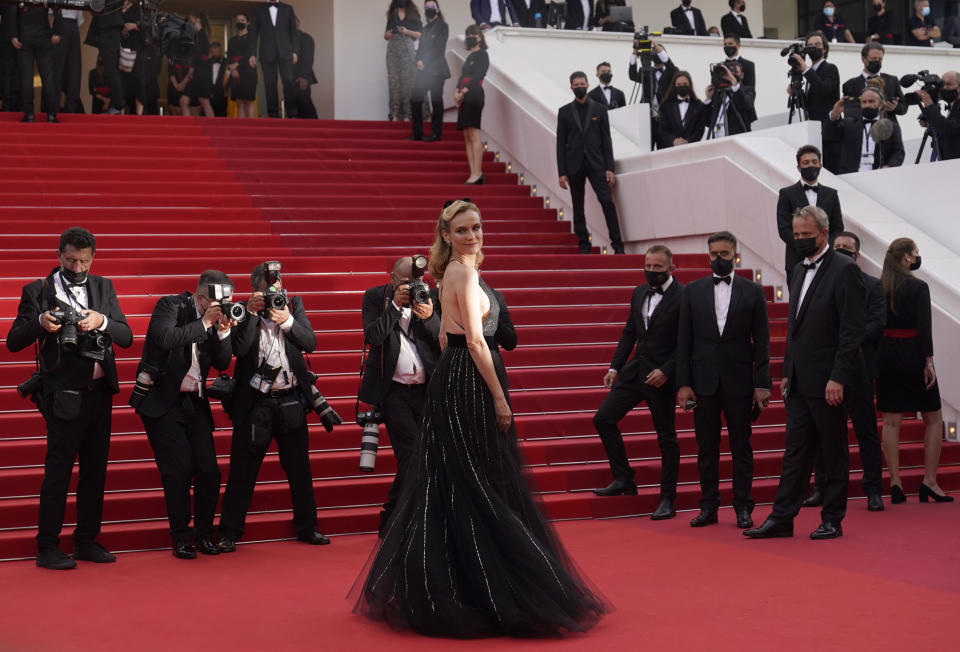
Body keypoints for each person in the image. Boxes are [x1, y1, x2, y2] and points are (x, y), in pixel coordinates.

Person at [352, 200, 608, 637]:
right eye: (462, 229)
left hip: (455, 376)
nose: (472, 235)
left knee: (463, 479)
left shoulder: (453, 272)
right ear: (446, 235)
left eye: (477, 227)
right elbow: (473, 340)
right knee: (480, 480)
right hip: (469, 379)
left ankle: (463, 584)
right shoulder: (463, 273)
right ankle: (489, 590)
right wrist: (500, 399)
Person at [5, 228, 133, 570]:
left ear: (92, 257)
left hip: (99, 393)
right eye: (70, 259)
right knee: (58, 472)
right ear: (58, 254)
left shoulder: (104, 287)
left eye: (84, 260)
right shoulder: (38, 290)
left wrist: (101, 320)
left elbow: (126, 335)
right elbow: (13, 341)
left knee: (96, 471)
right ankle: (47, 545)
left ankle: (86, 540)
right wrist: (40, 322)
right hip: (63, 394)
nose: (77, 266)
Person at [744, 206, 865, 540]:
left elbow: (852, 331)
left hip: (830, 381)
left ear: (823, 233)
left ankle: (832, 518)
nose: (799, 240)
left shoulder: (844, 269)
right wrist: (787, 370)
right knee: (795, 451)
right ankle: (782, 517)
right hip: (799, 379)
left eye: (804, 234)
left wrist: (838, 377)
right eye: (795, 235)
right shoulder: (797, 269)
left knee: (833, 450)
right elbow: (795, 326)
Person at [218, 262, 330, 551]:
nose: (273, 298)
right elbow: (239, 350)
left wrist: (287, 320)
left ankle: (308, 528)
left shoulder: (292, 305)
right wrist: (253, 313)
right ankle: (229, 532)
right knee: (242, 470)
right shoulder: (243, 310)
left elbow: (311, 342)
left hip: (290, 398)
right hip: (254, 403)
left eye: (276, 291)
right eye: (266, 292)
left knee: (299, 470)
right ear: (254, 291)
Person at [134, 272, 234, 559]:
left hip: (195, 402)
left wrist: (224, 331)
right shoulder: (170, 306)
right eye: (217, 302)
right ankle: (181, 537)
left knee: (209, 471)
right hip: (163, 402)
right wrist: (204, 322)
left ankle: (204, 534)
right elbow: (166, 338)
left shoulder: (215, 318)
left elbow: (222, 362)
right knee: (177, 471)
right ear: (200, 298)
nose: (222, 306)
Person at [677, 232, 771, 529]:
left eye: (724, 253)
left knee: (741, 446)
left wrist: (762, 383)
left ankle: (744, 506)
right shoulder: (691, 290)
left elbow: (763, 342)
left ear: (735, 254)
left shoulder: (753, 291)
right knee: (706, 448)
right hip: (702, 381)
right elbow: (683, 341)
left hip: (740, 379)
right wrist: (683, 383)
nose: (718, 258)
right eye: (714, 253)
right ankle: (709, 506)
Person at [592, 245, 682, 521]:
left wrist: (667, 371)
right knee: (603, 419)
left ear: (671, 268)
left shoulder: (684, 296)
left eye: (658, 267)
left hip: (662, 378)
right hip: (634, 372)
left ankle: (667, 498)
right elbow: (630, 331)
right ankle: (624, 478)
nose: (651, 272)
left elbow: (688, 341)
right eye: (648, 266)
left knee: (666, 437)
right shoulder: (639, 291)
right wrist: (615, 366)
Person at [802, 232, 885, 513]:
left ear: (858, 256)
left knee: (866, 432)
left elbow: (876, 324)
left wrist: (848, 341)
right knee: (824, 432)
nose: (842, 252)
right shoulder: (820, 281)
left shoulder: (873, 286)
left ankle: (873, 490)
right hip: (826, 368)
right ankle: (821, 487)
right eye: (838, 248)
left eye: (847, 249)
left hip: (858, 368)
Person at [359, 257, 441, 534]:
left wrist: (428, 316)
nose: (413, 287)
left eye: (417, 282)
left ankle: (406, 517)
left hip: (426, 392)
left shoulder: (430, 297)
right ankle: (393, 517)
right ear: (393, 279)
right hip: (393, 393)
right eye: (406, 282)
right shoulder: (375, 297)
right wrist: (394, 306)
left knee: (423, 458)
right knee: (412, 454)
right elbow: (373, 337)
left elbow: (442, 338)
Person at [876, 238, 952, 503]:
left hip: (885, 356)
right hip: (912, 355)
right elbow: (924, 327)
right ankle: (929, 481)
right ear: (907, 257)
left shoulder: (879, 286)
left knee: (891, 421)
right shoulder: (919, 287)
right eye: (916, 253)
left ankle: (895, 482)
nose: (918, 257)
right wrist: (928, 362)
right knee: (933, 418)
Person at [557, 71, 625, 255]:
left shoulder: (600, 109)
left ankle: (617, 243)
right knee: (578, 205)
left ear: (587, 84)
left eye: (582, 83)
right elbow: (560, 143)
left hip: (597, 164)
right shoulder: (564, 112)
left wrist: (609, 168)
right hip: (574, 165)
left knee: (606, 201)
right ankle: (583, 242)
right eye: (576, 84)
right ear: (571, 87)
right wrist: (561, 172)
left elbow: (607, 140)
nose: (579, 87)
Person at [776, 145, 844, 284]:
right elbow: (784, 229)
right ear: (799, 167)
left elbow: (837, 227)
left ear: (820, 166)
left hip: (827, 260)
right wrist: (804, 246)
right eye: (806, 163)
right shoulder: (786, 193)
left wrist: (824, 248)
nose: (810, 165)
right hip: (796, 259)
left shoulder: (831, 194)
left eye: (814, 162)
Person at [2, 4, 62, 123]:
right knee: (48, 76)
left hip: (24, 35)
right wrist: (56, 31)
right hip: (44, 35)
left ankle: (29, 114)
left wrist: (13, 35)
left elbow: (13, 9)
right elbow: (57, 7)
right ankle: (51, 114)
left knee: (26, 77)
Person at [826, 86, 905, 174]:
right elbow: (829, 135)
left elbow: (899, 152)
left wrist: (888, 167)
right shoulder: (848, 123)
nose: (867, 105)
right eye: (864, 102)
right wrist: (834, 114)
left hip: (880, 176)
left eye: (871, 101)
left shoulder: (891, 126)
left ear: (880, 104)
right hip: (850, 177)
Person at [250, 0, 299, 118]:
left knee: (288, 80)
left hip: (285, 52)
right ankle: (273, 115)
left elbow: (294, 32)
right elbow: (253, 33)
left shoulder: (288, 8)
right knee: (270, 84)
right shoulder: (258, 10)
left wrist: (295, 51)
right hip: (267, 53)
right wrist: (252, 54)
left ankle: (291, 113)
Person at [409, 0, 449, 141]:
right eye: (427, 7)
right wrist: (418, 60)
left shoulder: (443, 27)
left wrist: (424, 61)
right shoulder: (425, 29)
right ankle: (417, 133)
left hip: (437, 71)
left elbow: (439, 49)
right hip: (424, 71)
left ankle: (436, 133)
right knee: (415, 99)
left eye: (432, 6)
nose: (429, 9)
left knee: (436, 101)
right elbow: (420, 49)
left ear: (437, 9)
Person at [455, 25, 489, 184]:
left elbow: (477, 76)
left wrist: (464, 91)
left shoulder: (483, 55)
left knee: (474, 134)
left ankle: (478, 172)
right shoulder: (469, 56)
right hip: (464, 95)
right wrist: (456, 90)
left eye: (473, 34)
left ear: (479, 37)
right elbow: (462, 75)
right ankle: (472, 172)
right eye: (468, 34)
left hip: (474, 95)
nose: (470, 37)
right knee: (466, 135)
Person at [841, 43, 906, 124]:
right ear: (863, 59)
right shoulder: (850, 85)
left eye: (880, 59)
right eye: (874, 58)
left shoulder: (892, 80)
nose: (877, 62)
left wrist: (895, 107)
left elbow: (904, 107)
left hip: (888, 130)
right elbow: (848, 110)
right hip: (861, 130)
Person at [787, 31, 838, 122]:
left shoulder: (831, 68)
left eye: (817, 45)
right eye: (810, 45)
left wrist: (805, 68)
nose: (813, 48)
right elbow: (807, 105)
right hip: (812, 126)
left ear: (824, 49)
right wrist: (796, 92)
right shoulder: (809, 72)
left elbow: (824, 90)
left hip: (828, 126)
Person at [383, 0, 421, 122]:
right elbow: (385, 36)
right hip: (393, 50)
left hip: (408, 50)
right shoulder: (392, 14)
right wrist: (389, 34)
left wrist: (406, 31)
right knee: (394, 82)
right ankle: (394, 114)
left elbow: (420, 34)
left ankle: (407, 115)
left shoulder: (413, 14)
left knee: (407, 82)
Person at [84, 4, 124, 115]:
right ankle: (116, 104)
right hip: (111, 26)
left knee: (110, 68)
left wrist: (91, 6)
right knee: (111, 68)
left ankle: (117, 105)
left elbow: (96, 6)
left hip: (107, 26)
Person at [656, 71, 709, 148]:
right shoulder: (666, 106)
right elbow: (663, 130)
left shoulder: (698, 105)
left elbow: (700, 129)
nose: (682, 86)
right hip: (670, 150)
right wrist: (674, 140)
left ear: (690, 85)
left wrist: (687, 141)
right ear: (674, 86)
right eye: (679, 84)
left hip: (692, 150)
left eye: (685, 84)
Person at [704, 60, 756, 138]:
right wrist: (708, 99)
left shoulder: (748, 90)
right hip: (717, 142)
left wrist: (734, 84)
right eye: (728, 72)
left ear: (742, 75)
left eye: (735, 72)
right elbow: (708, 122)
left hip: (738, 141)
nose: (731, 75)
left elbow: (746, 104)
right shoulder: (718, 94)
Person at [918, 70, 960, 161]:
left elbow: (951, 127)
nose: (944, 88)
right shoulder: (952, 105)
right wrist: (929, 122)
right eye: (942, 84)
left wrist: (930, 107)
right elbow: (943, 133)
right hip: (948, 163)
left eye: (949, 84)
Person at [52, 9, 83, 113]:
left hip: (74, 24)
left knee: (74, 69)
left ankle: (71, 109)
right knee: (56, 70)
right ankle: (52, 109)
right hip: (58, 20)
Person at [228, 13, 258, 118]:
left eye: (242, 20)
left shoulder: (252, 37)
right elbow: (229, 57)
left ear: (247, 22)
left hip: (248, 72)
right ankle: (241, 128)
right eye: (238, 20)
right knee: (239, 101)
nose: (239, 22)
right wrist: (232, 69)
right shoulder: (232, 40)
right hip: (235, 72)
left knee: (249, 101)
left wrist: (237, 64)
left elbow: (250, 54)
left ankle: (251, 128)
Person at [119, 1, 143, 116]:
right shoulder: (116, 7)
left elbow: (148, 24)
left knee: (137, 79)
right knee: (121, 80)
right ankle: (121, 112)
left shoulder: (139, 7)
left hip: (136, 48)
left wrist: (134, 25)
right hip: (121, 46)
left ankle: (139, 113)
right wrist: (123, 29)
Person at [293, 22, 318, 119]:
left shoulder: (305, 38)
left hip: (301, 78)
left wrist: (304, 76)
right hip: (291, 78)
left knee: (305, 106)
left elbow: (308, 59)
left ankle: (315, 129)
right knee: (298, 108)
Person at [203, 41, 229, 117]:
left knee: (221, 115)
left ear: (220, 50)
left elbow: (228, 77)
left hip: (221, 92)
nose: (215, 53)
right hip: (209, 91)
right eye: (213, 51)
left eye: (217, 51)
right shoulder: (206, 62)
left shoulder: (226, 62)